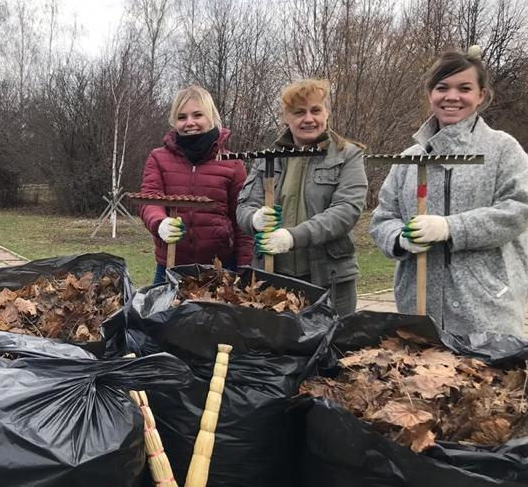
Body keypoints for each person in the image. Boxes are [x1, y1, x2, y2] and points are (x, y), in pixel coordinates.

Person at [369, 46, 528, 339]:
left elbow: (518, 209)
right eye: (442, 87)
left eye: (464, 88)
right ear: (430, 94)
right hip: (418, 308)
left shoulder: (502, 149)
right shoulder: (410, 159)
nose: (452, 96)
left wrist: (450, 227)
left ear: (481, 95)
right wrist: (401, 238)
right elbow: (383, 217)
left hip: (486, 308)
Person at [236, 79, 367, 315]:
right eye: (299, 112)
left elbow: (346, 210)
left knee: (333, 345)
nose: (309, 119)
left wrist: (292, 237)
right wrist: (255, 219)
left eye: (316, 110)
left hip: (330, 279)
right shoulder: (268, 158)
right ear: (286, 117)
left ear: (326, 113)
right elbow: (245, 205)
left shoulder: (348, 155)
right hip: (273, 278)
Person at [139, 85, 253, 284]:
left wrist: (245, 266)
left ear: (211, 116)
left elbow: (240, 219)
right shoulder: (158, 158)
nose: (190, 123)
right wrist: (160, 222)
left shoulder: (232, 163)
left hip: (220, 267)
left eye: (197, 115)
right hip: (171, 266)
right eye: (182, 117)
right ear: (174, 122)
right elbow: (150, 199)